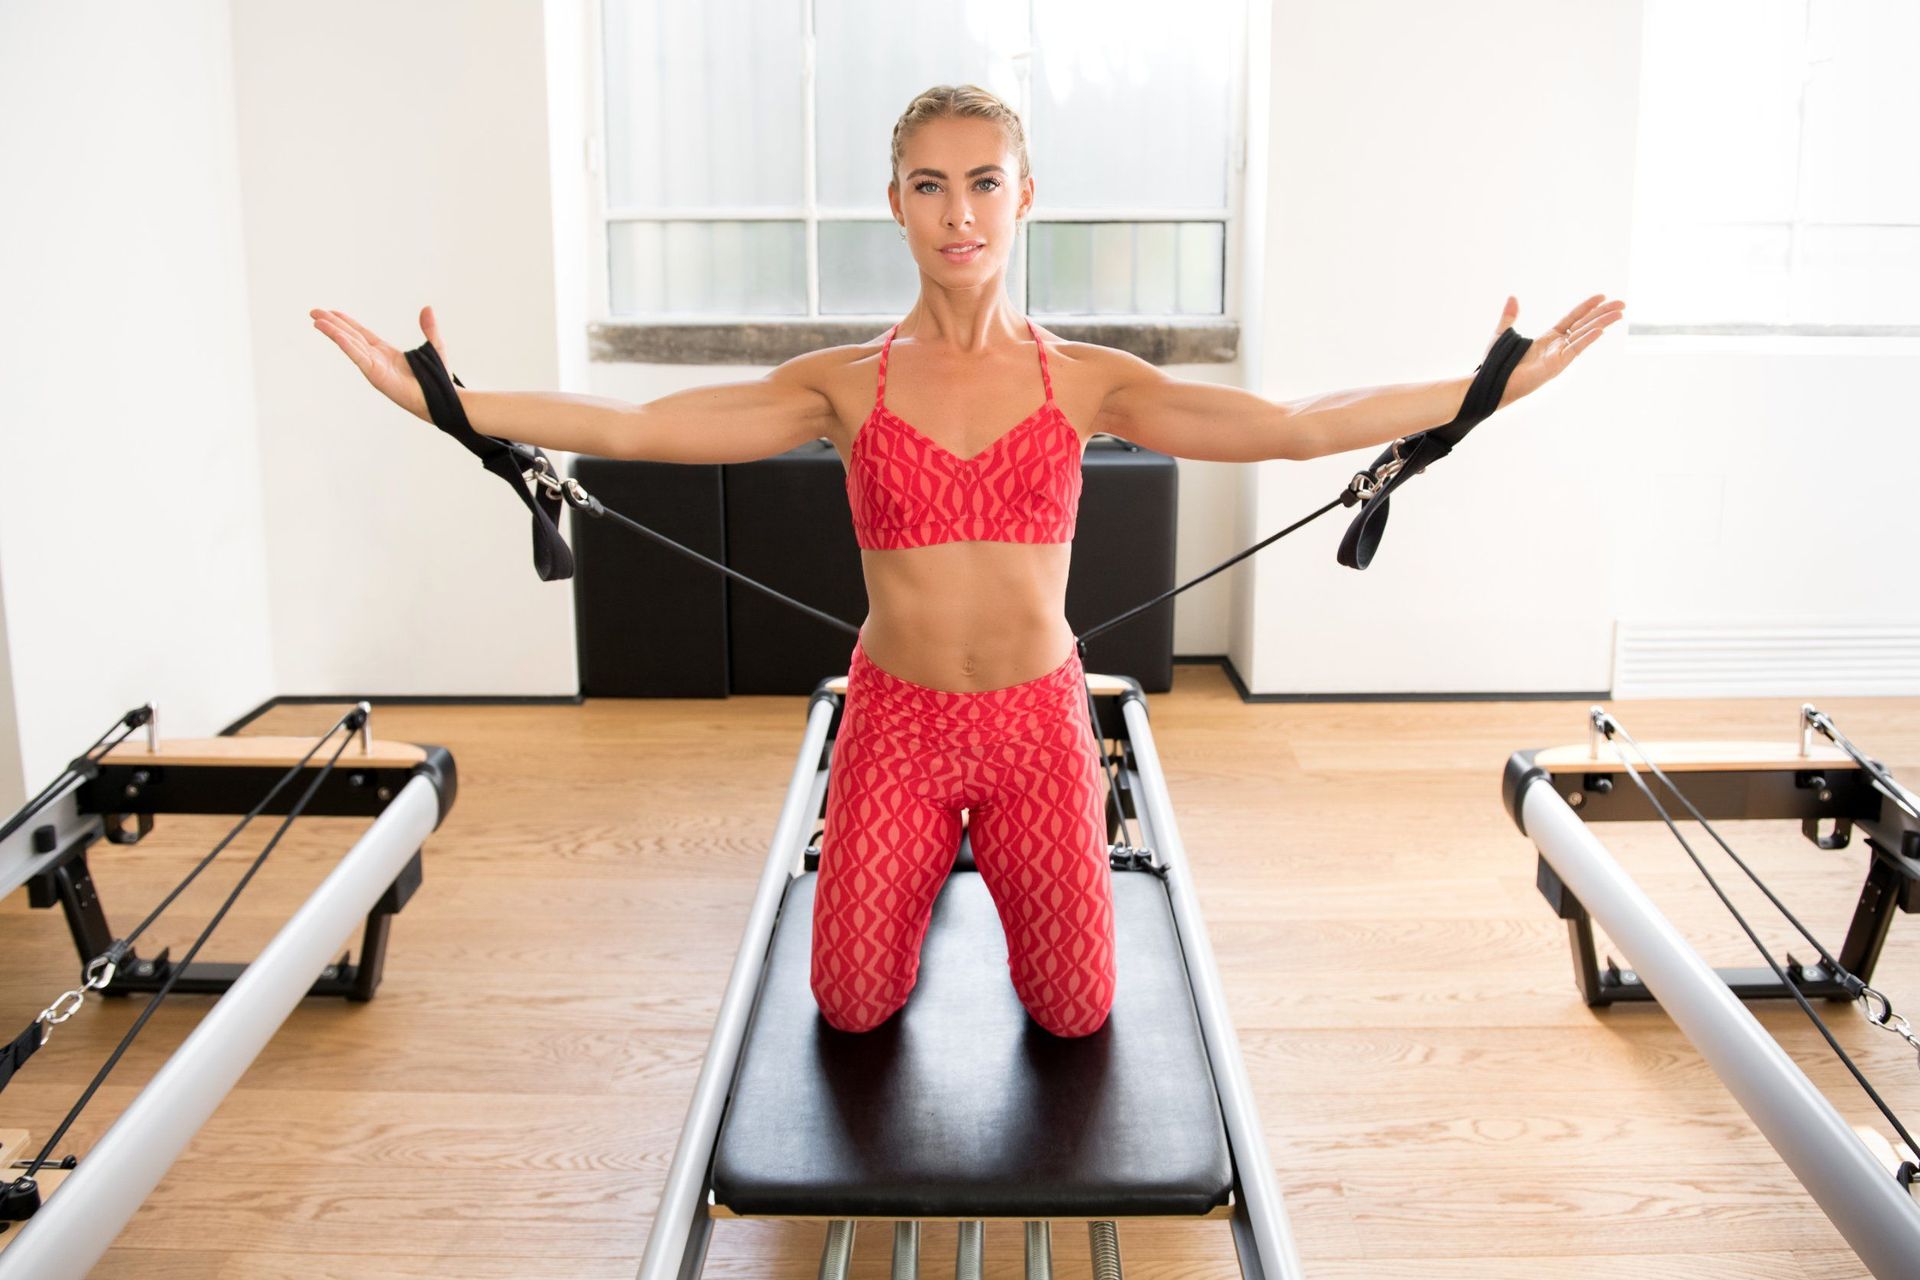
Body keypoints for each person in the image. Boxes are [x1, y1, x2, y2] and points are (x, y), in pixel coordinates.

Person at [312, 83, 1622, 1040]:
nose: (960, 210)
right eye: (931, 183)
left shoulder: (1086, 380)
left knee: (1073, 1013)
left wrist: (1486, 388)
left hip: (1041, 724)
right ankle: (915, 853)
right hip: (894, 721)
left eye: (985, 179)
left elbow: (1292, 430)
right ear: (896, 202)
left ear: (1024, 196)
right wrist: (444, 401)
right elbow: (635, 429)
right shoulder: (840, 384)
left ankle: (1003, 847)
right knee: (854, 1003)